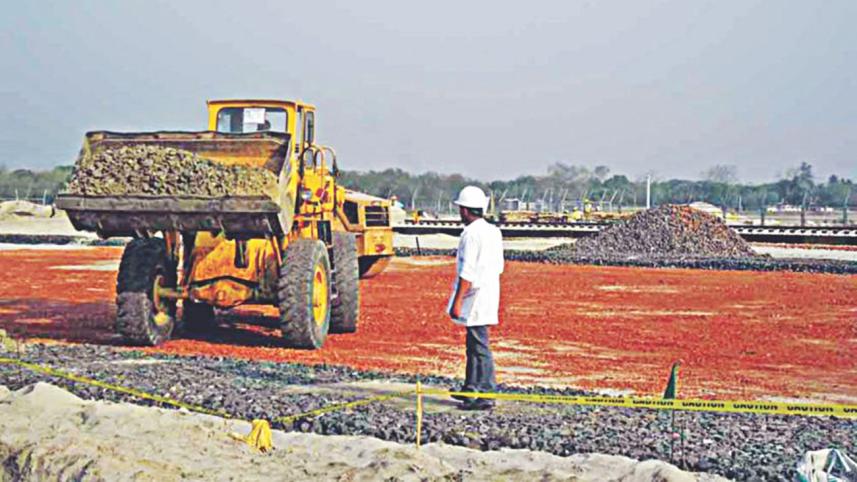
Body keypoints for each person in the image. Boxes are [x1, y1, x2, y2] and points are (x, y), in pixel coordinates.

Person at [447, 185, 504, 410]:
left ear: (465, 210)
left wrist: (457, 301)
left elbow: (467, 271)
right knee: (474, 342)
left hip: (475, 295)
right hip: (489, 291)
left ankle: (486, 392)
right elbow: (498, 266)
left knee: (479, 345)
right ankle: (470, 388)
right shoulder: (493, 231)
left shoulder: (470, 234)